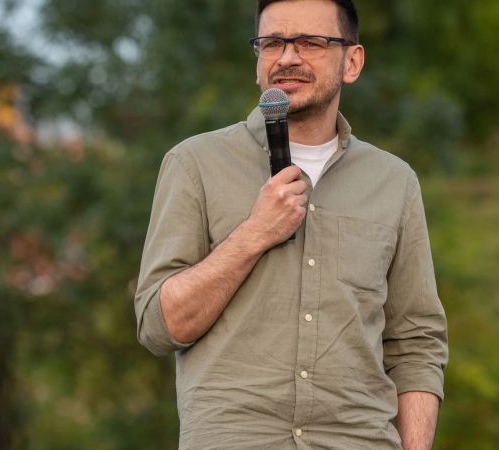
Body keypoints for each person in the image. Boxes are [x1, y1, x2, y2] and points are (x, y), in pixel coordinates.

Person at [134, 1, 448, 449]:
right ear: (257, 61)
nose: (287, 58)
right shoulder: (194, 164)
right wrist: (253, 234)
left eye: (310, 43)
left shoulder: (394, 182)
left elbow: (416, 343)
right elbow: (159, 326)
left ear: (352, 61)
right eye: (272, 43)